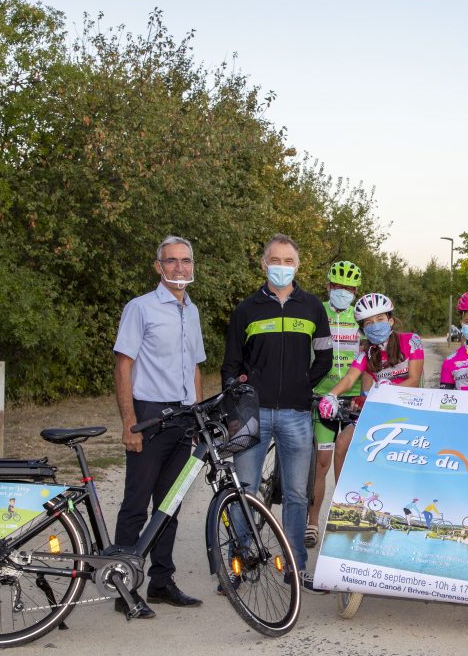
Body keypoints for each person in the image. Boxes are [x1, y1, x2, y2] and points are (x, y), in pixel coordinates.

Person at [222, 233, 331, 593]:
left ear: (298, 266)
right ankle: (241, 563)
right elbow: (230, 366)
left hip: (297, 415)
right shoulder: (245, 310)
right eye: (275, 260)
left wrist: (304, 384)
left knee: (298, 495)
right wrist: (238, 401)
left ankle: (296, 567)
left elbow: (325, 357)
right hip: (252, 415)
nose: (281, 267)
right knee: (246, 490)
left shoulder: (313, 307)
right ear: (263, 263)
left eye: (288, 261)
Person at [112, 235, 206, 617]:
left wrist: (199, 416)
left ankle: (161, 582)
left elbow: (196, 367)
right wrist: (129, 422)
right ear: (158, 267)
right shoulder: (140, 308)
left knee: (170, 505)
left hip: (183, 418)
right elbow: (123, 365)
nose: (179, 267)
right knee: (137, 503)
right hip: (149, 415)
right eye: (171, 261)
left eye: (185, 261)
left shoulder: (192, 311)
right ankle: (122, 586)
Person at [308, 260, 365, 549]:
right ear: (329, 286)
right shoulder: (318, 312)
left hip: (353, 398)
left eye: (349, 288)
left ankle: (341, 521)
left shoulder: (361, 317)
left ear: (356, 291)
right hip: (323, 397)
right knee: (321, 463)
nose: (343, 291)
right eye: (338, 286)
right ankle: (312, 521)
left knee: (346, 463)